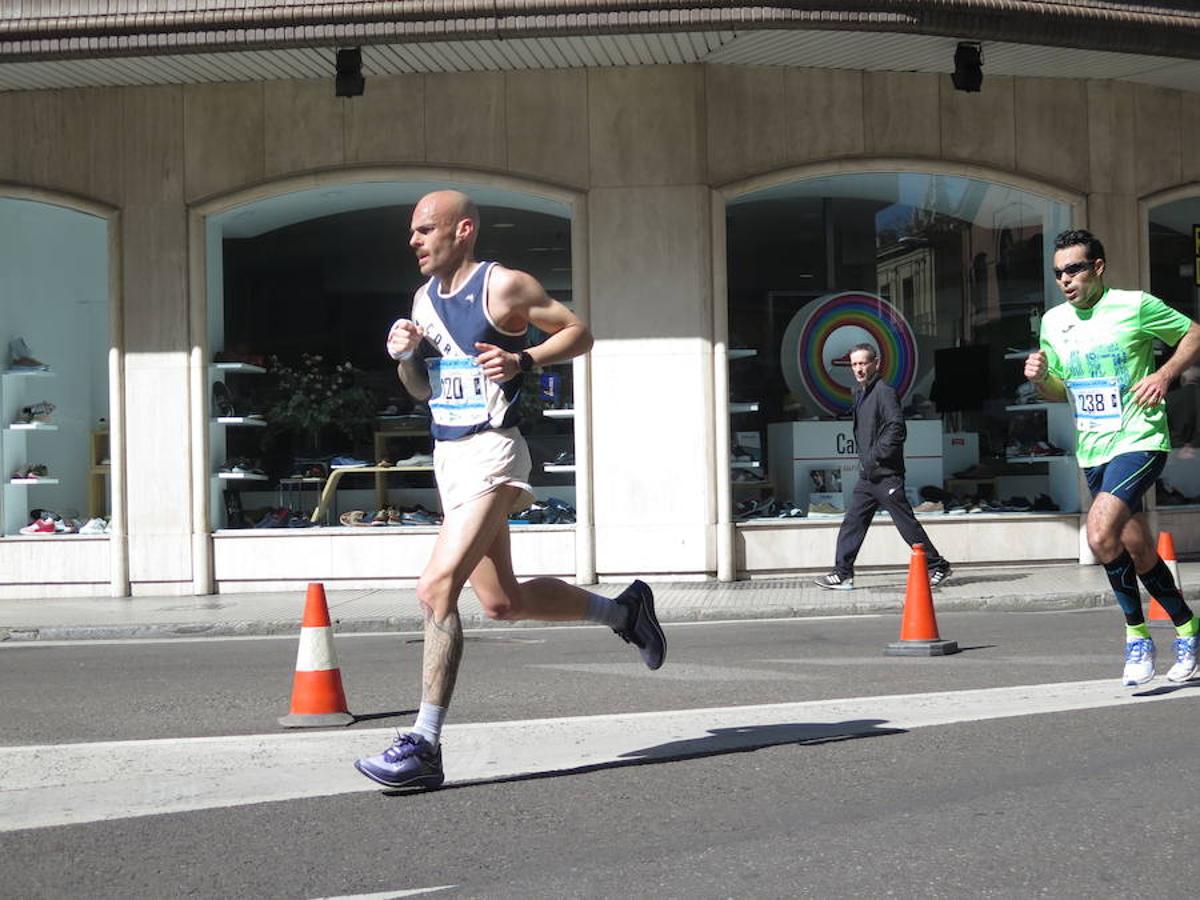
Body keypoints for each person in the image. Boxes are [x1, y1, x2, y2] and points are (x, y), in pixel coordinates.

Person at [355, 190, 666, 789]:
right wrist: (404, 359)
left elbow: (579, 333)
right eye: (412, 233)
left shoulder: (505, 287)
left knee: (435, 587)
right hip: (449, 456)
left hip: (494, 453)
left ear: (463, 229)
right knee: (503, 602)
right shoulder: (423, 300)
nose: (413, 241)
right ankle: (625, 611)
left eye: (425, 230)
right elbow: (422, 391)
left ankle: (423, 744)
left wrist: (524, 360)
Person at [1025, 228, 1200, 686]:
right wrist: (1041, 378)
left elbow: (1194, 333)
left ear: (1097, 268)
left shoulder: (1134, 305)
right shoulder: (1053, 322)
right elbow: (1059, 390)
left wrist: (1163, 375)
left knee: (1100, 534)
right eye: (1058, 272)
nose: (1065, 279)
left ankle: (1137, 636)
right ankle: (1188, 627)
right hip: (1094, 446)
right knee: (1137, 546)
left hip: (1140, 438)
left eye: (1075, 269)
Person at [815, 343, 952, 591]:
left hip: (886, 474)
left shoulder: (884, 392)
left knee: (905, 523)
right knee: (852, 522)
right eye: (855, 364)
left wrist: (876, 457)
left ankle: (937, 565)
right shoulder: (861, 393)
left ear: (876, 364)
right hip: (868, 477)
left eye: (863, 363)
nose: (858, 368)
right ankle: (843, 573)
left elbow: (896, 428)